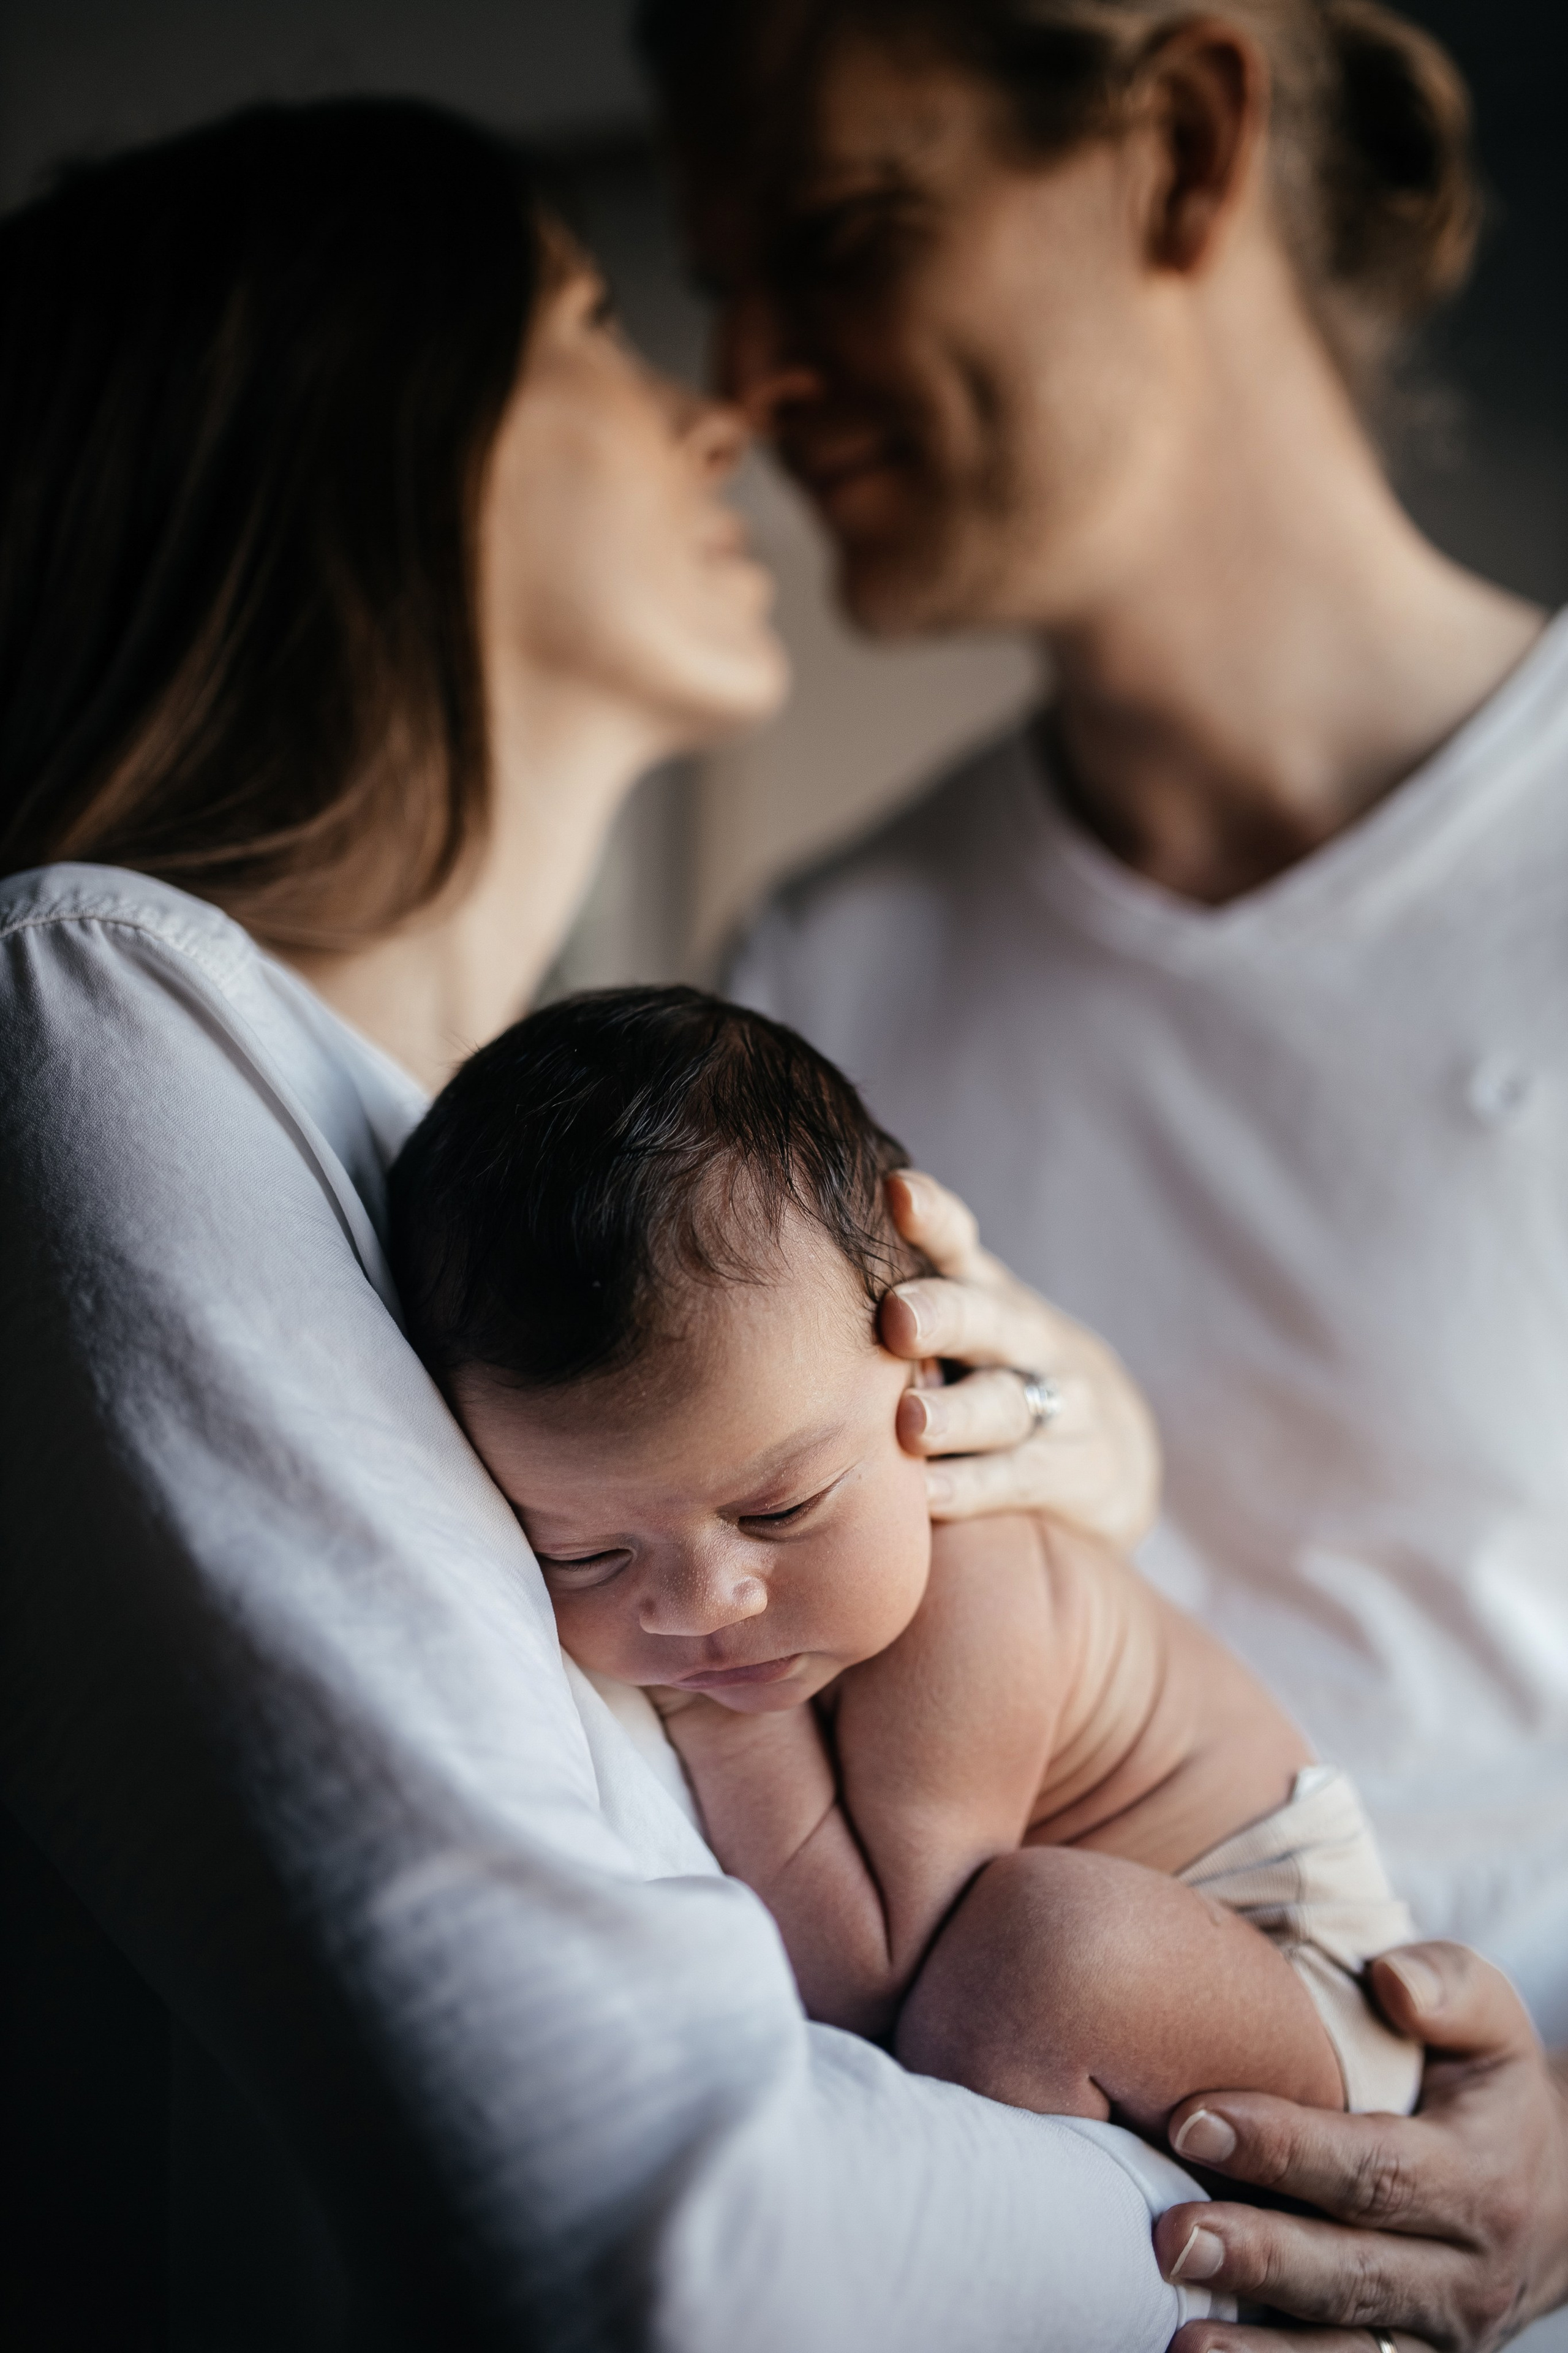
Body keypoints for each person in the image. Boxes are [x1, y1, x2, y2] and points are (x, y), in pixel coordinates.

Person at [0, 93, 1240, 2352]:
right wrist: (1382, 2254)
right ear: (353, 417)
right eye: (588, 319)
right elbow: (669, 2240)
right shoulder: (97, 998)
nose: (717, 398)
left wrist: (1476, 2112)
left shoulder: (636, 1215)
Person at [633, 0, 1568, 2343]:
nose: (744, 375)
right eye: (722, 275)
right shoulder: (817, 977)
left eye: (842, 237)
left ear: (1177, 142)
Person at [387, 982, 1422, 2131]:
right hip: (1178, 1975)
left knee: (1035, 1965)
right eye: (582, 1553)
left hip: (1299, 1974)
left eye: (779, 1510)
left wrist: (733, 1731)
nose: (698, 1605)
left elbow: (873, 1979)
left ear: (922, 1375)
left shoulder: (981, 1585)